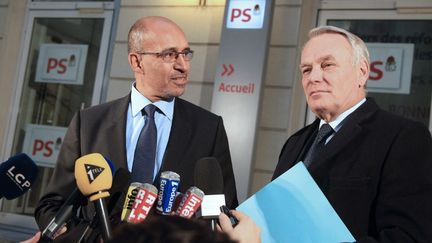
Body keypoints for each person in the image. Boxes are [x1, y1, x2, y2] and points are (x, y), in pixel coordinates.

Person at [34, 16, 238, 241]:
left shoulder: (209, 128)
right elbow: (52, 206)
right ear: (136, 62)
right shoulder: (89, 123)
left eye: (186, 53)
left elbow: (224, 212)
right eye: (170, 54)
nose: (183, 65)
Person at [272, 25, 432, 242]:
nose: (314, 77)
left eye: (327, 65)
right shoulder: (295, 143)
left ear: (362, 72)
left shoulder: (403, 138)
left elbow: (408, 237)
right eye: (306, 69)